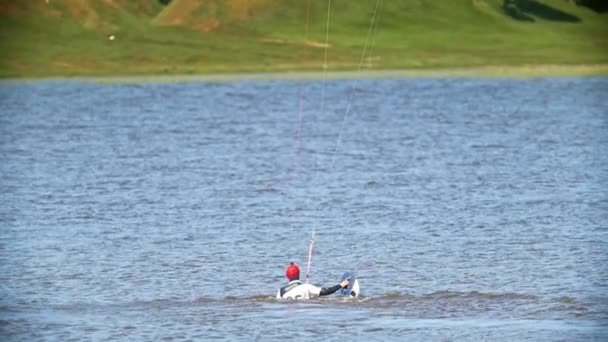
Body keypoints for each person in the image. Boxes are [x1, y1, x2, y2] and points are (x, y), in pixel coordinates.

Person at [276, 262, 350, 300]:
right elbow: (325, 292)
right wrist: (341, 285)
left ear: (287, 276)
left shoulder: (280, 292)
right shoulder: (306, 287)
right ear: (299, 273)